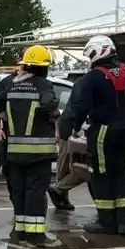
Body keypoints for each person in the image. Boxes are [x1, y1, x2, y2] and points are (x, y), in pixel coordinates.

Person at [0, 45, 63, 248]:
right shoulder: (43, 85)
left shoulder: (9, 84)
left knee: (19, 191)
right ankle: (36, 237)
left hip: (13, 151)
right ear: (43, 67)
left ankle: (20, 233)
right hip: (39, 152)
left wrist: (12, 118)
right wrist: (52, 115)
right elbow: (49, 105)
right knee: (36, 193)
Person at [69, 34, 125, 235]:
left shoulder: (92, 77)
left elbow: (81, 106)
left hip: (104, 130)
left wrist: (74, 127)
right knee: (124, 175)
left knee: (102, 175)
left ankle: (106, 222)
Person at [49, 76, 91, 211]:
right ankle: (58, 191)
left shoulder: (81, 81)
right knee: (76, 166)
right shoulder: (89, 82)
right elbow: (81, 106)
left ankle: (61, 197)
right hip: (73, 127)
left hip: (67, 123)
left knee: (64, 164)